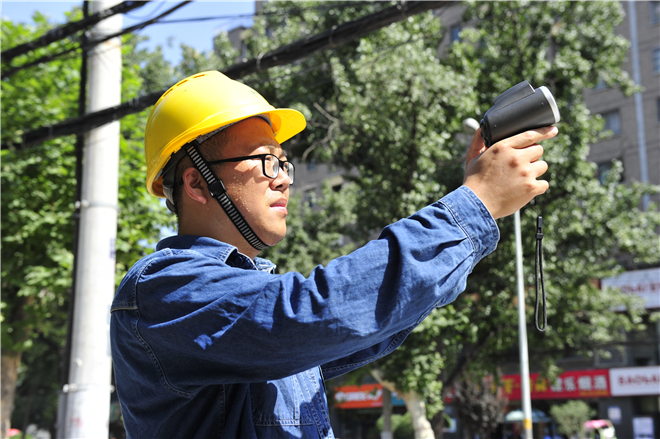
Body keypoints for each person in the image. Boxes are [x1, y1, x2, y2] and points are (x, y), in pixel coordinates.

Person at [110, 71, 557, 438]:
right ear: (196, 183)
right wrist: (472, 205)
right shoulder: (162, 291)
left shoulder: (253, 302)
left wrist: (478, 202)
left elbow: (372, 317)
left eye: (284, 162)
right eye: (265, 160)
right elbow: (316, 310)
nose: (284, 178)